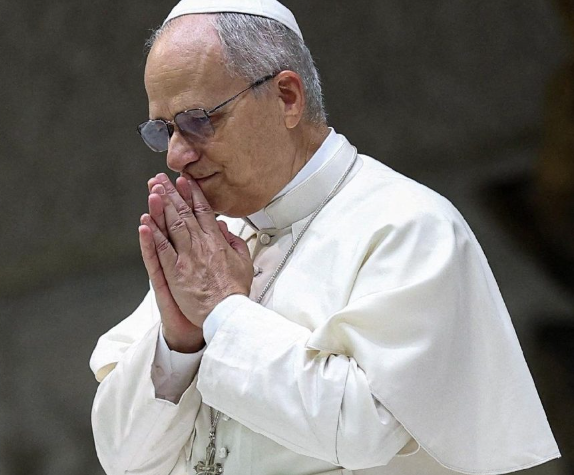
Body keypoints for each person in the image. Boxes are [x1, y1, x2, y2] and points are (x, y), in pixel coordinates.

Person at [89, 1, 561, 474]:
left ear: (287, 97)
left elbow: (364, 430)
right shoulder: (212, 246)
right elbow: (122, 458)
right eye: (162, 130)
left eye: (197, 120)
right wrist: (180, 342)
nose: (175, 155)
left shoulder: (408, 226)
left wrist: (221, 312)